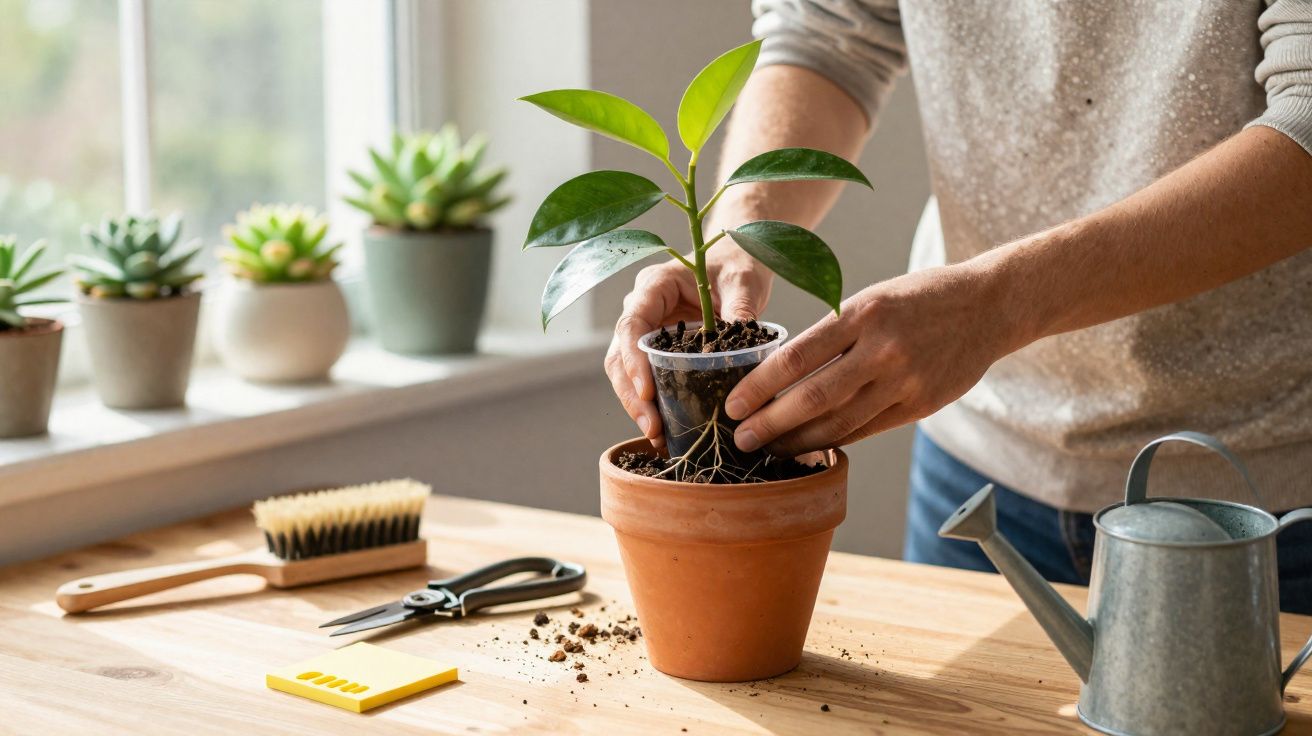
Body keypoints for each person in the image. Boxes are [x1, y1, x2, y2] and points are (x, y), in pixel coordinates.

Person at [604, 0, 1312, 611]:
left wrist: (995, 307)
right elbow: (826, 34)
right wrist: (737, 233)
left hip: (1260, 489)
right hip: (978, 470)